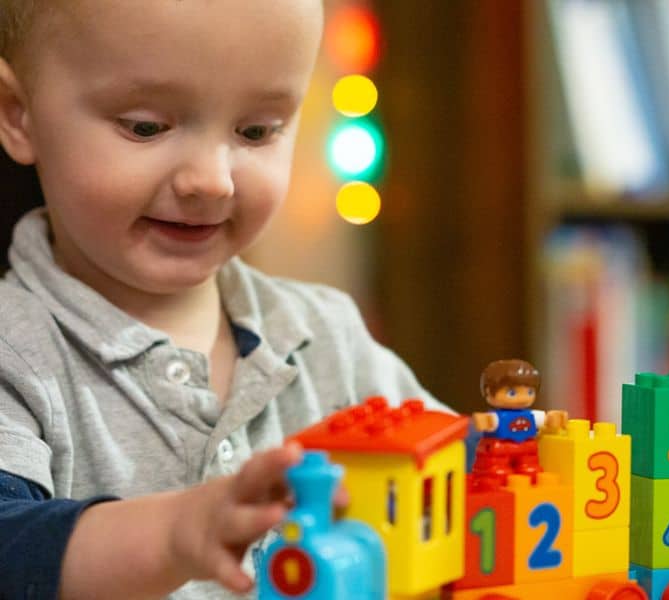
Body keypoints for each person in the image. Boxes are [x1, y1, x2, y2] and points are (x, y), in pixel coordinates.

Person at [0, 1, 444, 598]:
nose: (212, 180)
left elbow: (450, 476)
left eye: (256, 131)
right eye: (146, 126)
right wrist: (175, 535)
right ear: (18, 114)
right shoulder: (13, 349)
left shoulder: (326, 332)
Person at [470, 359, 567, 490]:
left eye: (530, 392)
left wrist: (552, 418)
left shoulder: (531, 415)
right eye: (512, 393)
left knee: (530, 467)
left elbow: (544, 420)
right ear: (488, 392)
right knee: (497, 469)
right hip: (501, 448)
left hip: (526, 447)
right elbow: (489, 421)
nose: (523, 398)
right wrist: (484, 421)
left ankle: (527, 470)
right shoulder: (498, 416)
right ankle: (495, 473)